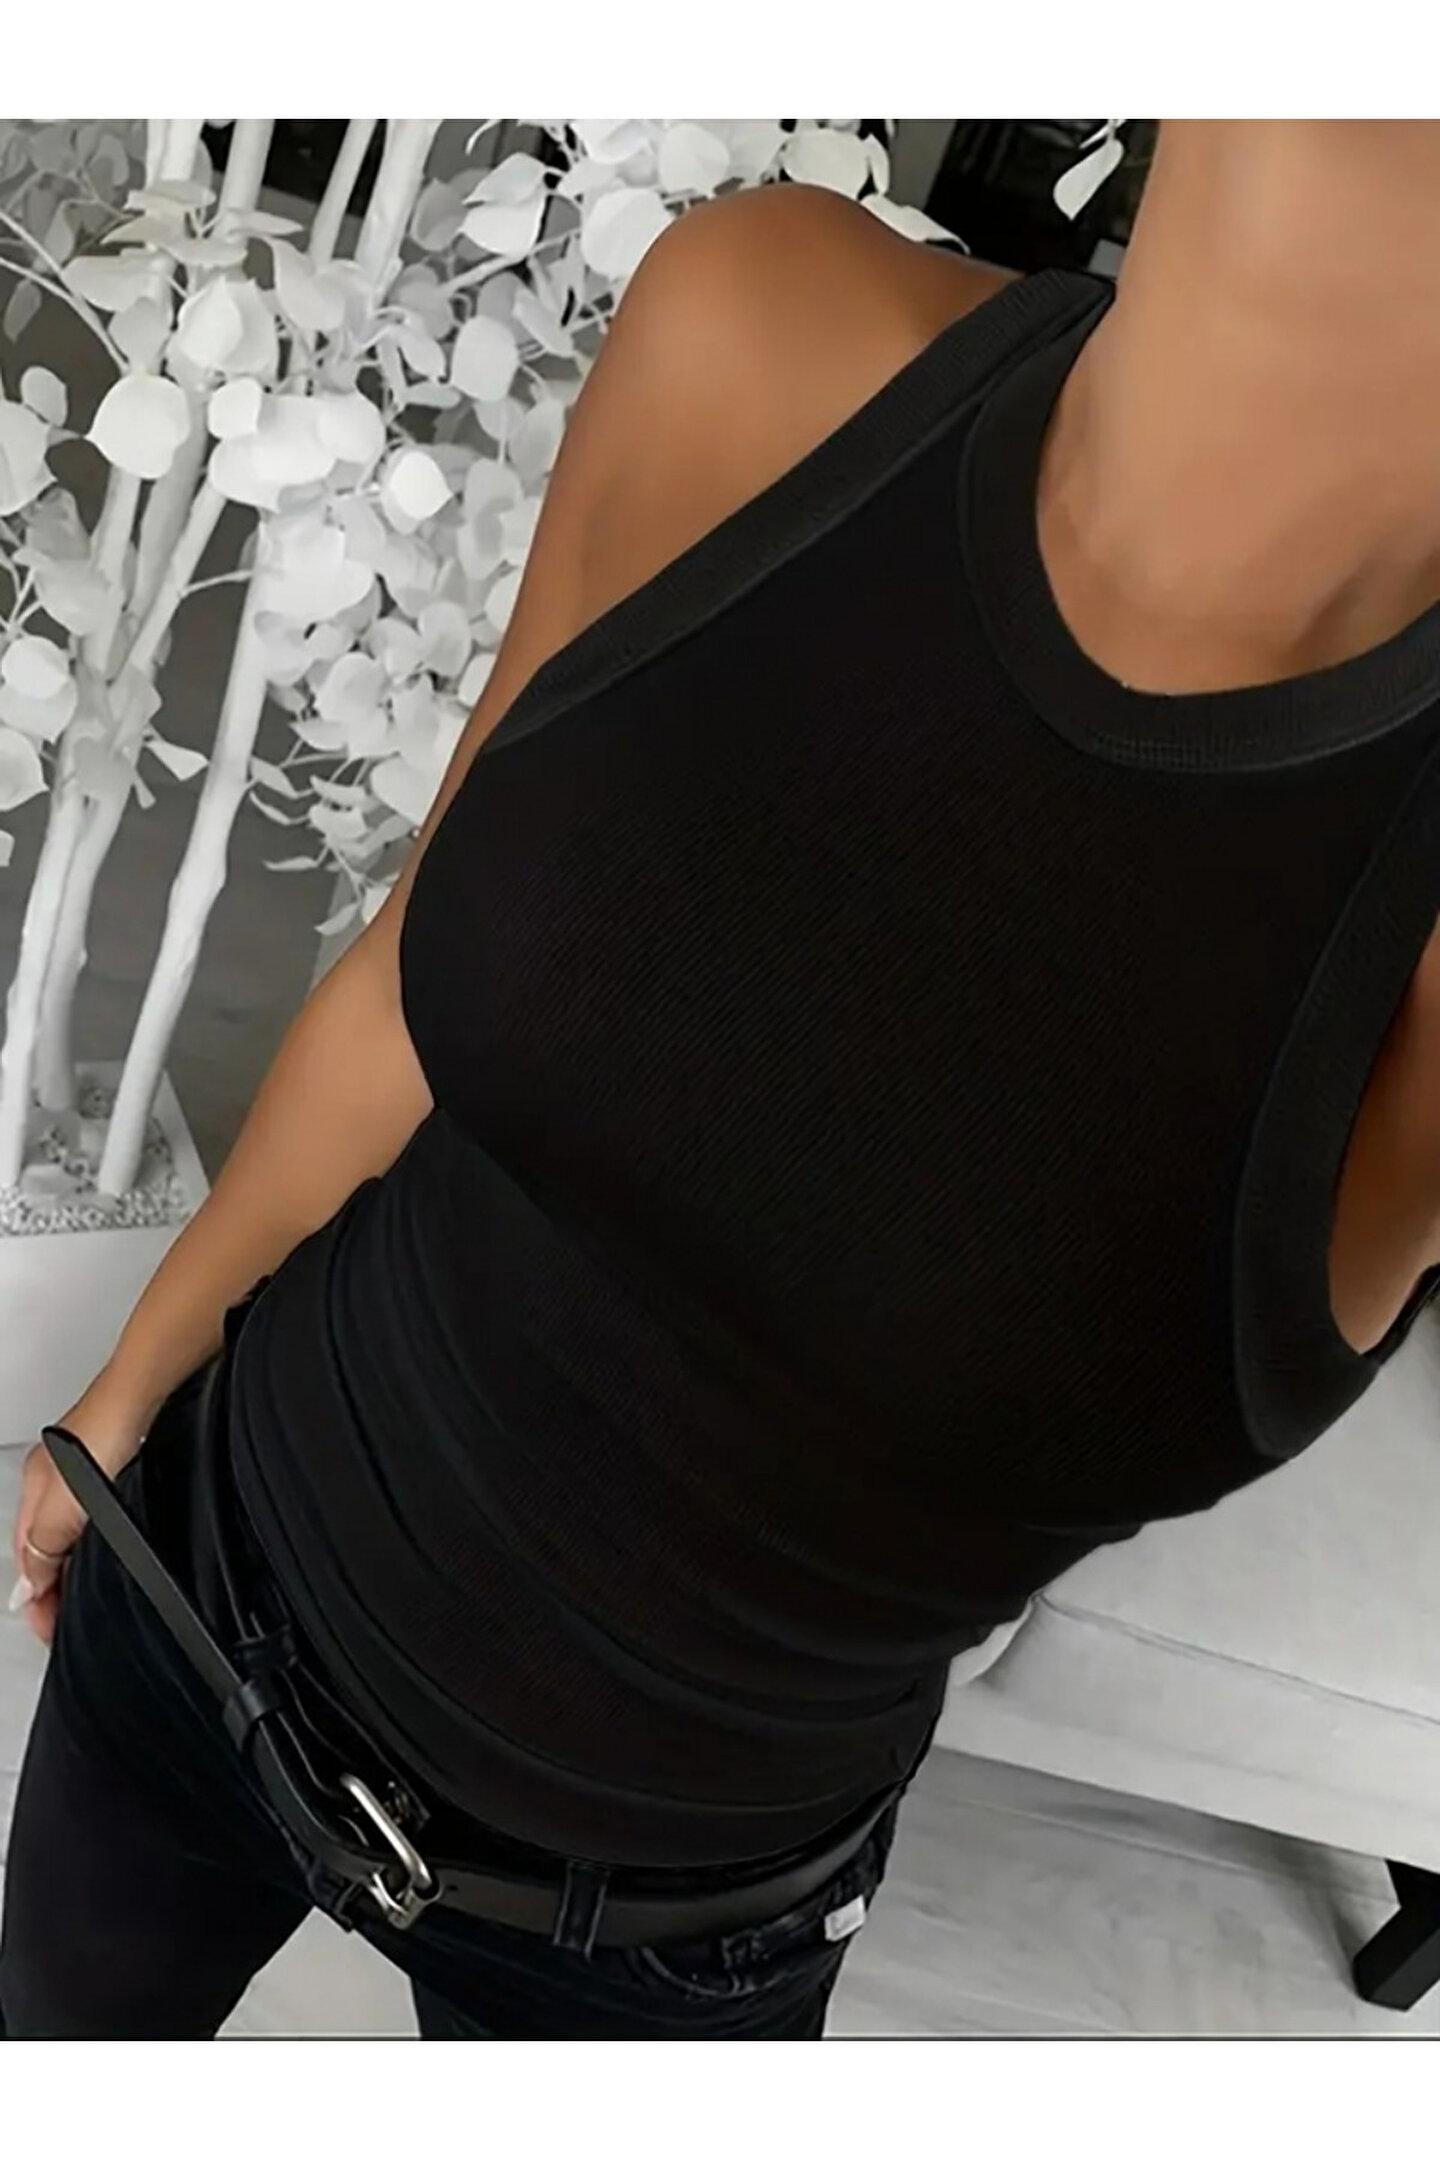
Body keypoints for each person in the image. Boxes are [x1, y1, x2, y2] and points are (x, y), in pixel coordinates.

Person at [7, 117, 1440, 2041]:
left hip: (672, 1938)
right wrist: (129, 1384)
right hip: (202, 1599)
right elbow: (414, 980)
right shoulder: (766, 333)